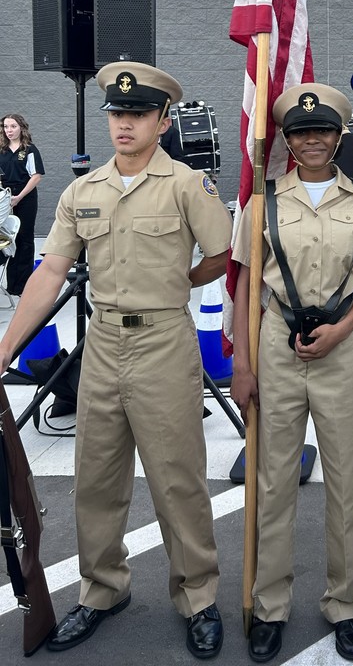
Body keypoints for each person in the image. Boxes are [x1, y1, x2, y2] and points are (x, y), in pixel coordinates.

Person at [0, 62, 233, 659]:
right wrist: (3, 349)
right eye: (118, 114)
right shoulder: (83, 191)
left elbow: (223, 254)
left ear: (162, 120)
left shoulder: (188, 185)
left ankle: (198, 597)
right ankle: (103, 590)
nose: (125, 123)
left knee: (178, 480)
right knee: (96, 481)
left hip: (164, 343)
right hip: (103, 346)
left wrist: (179, 282)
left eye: (138, 113)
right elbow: (50, 272)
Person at [230, 84, 353, 664]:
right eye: (301, 131)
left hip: (341, 349)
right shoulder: (263, 201)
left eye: (322, 130)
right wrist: (241, 364)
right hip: (277, 345)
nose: (312, 139)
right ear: (289, 141)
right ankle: (270, 605)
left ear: (339, 137)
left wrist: (342, 331)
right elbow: (246, 285)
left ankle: (345, 604)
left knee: (347, 484)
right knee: (273, 483)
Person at [0, 113, 45, 295]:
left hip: (25, 197)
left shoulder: (29, 150)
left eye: (13, 126)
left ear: (21, 128)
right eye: (6, 127)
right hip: (5, 198)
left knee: (24, 239)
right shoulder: (2, 150)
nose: (9, 130)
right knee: (8, 239)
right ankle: (11, 285)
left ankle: (24, 286)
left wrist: (18, 197)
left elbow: (36, 176)